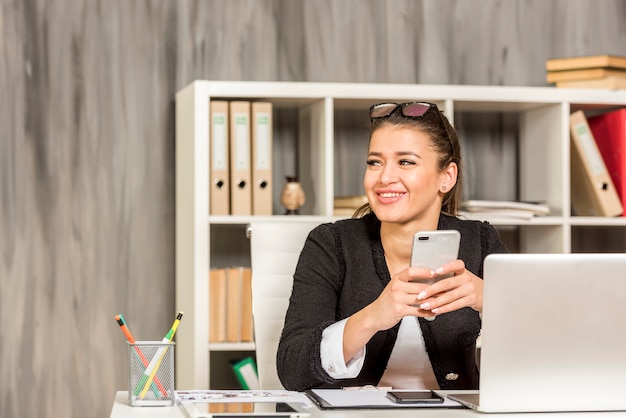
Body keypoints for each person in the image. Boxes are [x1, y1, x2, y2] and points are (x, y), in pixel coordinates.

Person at [276, 101, 509, 392]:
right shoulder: (332, 245)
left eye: (405, 162)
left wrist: (491, 300)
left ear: (446, 177)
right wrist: (373, 317)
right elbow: (292, 371)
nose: (384, 178)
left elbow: (539, 351)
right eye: (375, 162)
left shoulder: (480, 242)